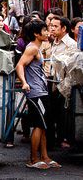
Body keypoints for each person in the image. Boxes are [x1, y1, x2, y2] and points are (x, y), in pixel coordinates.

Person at [15, 20, 61, 169]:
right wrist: (24, 82)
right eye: (45, 30)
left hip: (41, 91)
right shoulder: (32, 49)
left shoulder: (38, 48)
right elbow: (19, 65)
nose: (48, 32)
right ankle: (33, 159)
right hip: (35, 92)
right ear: (36, 34)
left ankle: (45, 156)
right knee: (39, 125)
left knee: (43, 125)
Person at [47, 16, 78, 149]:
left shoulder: (71, 44)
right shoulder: (54, 41)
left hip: (64, 84)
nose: (52, 28)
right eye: (51, 26)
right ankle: (53, 140)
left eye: (55, 26)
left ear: (64, 28)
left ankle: (62, 139)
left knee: (63, 114)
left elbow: (70, 66)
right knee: (52, 113)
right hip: (53, 81)